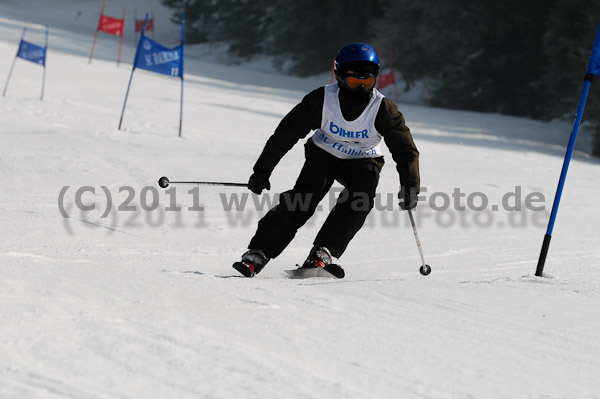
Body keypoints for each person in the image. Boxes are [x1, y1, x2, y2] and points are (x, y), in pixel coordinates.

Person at [232, 42, 420, 278]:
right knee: (302, 199)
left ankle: (324, 251)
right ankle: (259, 252)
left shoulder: (383, 109)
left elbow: (405, 150)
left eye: (368, 81)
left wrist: (410, 186)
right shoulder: (321, 100)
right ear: (340, 75)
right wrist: (262, 171)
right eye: (354, 81)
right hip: (324, 154)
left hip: (364, 159)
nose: (362, 87)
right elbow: (285, 135)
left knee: (359, 200)